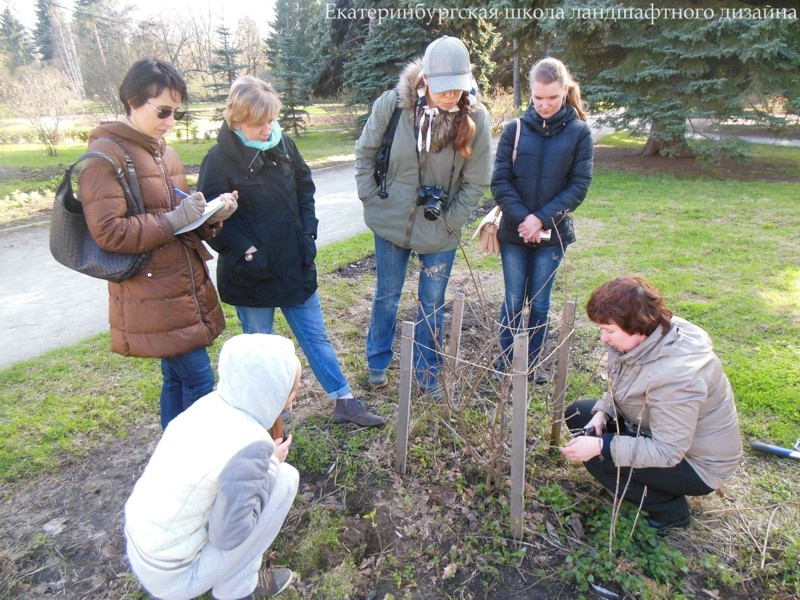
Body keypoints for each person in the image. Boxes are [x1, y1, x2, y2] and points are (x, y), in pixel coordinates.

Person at [197, 75, 384, 427]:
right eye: (259, 123)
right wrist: (246, 249)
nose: (268, 129)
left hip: (293, 262)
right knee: (261, 350)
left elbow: (304, 188)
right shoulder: (218, 160)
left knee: (315, 335)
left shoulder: (283, 146)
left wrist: (307, 232)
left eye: (271, 120)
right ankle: (271, 419)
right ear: (237, 120)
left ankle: (344, 400)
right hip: (250, 271)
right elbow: (208, 221)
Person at [80, 57, 237, 429]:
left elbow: (178, 220)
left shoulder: (165, 152)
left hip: (181, 287)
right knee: (198, 379)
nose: (170, 122)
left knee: (178, 378)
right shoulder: (105, 157)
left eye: (177, 114)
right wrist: (173, 220)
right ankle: (195, 463)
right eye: (164, 111)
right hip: (151, 291)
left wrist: (210, 218)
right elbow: (110, 232)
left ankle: (173, 462)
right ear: (133, 101)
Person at [355, 36, 492, 395]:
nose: (450, 96)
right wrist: (370, 197)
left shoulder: (476, 119)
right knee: (387, 294)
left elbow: (476, 183)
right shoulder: (394, 106)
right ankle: (377, 364)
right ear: (425, 78)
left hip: (440, 231)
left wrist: (452, 220)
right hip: (390, 223)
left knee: (432, 303)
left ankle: (428, 374)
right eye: (443, 88)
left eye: (457, 88)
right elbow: (365, 152)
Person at [560, 276, 743, 531]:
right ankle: (638, 482)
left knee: (597, 457)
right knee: (579, 414)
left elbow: (668, 452)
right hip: (656, 428)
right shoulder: (649, 338)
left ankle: (669, 511)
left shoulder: (677, 378)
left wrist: (602, 446)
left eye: (609, 330)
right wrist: (602, 413)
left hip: (696, 463)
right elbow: (624, 386)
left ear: (638, 326)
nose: (603, 338)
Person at [125, 333, 300, 599]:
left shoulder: (206, 407)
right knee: (285, 479)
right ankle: (238, 590)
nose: (293, 399)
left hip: (145, 552)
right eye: (292, 390)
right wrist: (272, 464)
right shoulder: (251, 444)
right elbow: (229, 535)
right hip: (174, 577)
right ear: (272, 389)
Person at [491, 57, 593, 383]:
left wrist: (542, 220)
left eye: (552, 97)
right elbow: (500, 182)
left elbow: (578, 186)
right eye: (538, 98)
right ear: (530, 95)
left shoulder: (579, 133)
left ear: (564, 91)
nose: (545, 104)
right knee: (512, 300)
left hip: (554, 233)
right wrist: (525, 219)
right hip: (514, 232)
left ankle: (532, 364)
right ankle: (505, 362)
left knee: (538, 303)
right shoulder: (514, 130)